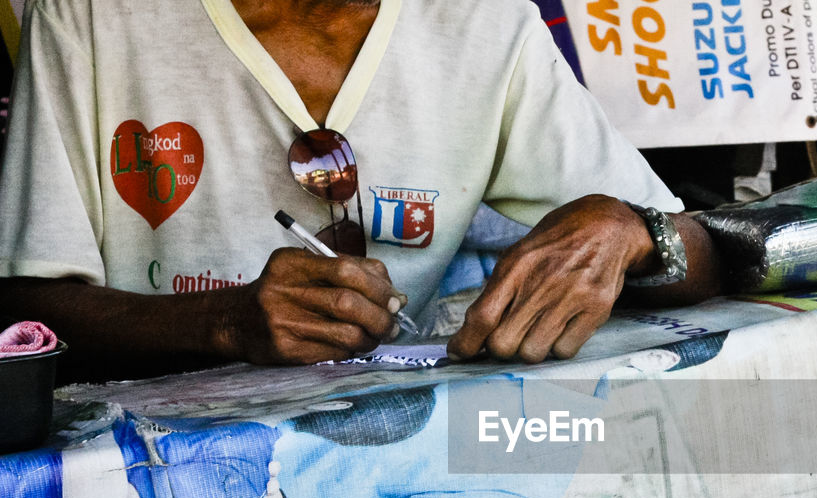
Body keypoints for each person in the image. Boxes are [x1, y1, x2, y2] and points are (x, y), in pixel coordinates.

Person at [0, 0, 724, 378]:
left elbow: (706, 252)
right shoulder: (92, 18)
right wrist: (223, 324)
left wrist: (627, 229)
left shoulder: (486, 27)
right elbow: (24, 312)